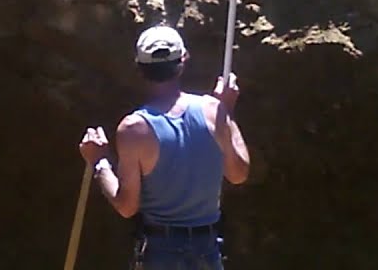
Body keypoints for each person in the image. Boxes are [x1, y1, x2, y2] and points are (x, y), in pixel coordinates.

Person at [79, 24, 250, 269]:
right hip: (207, 251)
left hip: (161, 252)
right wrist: (227, 114)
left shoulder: (133, 129)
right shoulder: (213, 111)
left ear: (139, 68)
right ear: (184, 59)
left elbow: (127, 206)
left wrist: (99, 162)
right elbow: (238, 174)